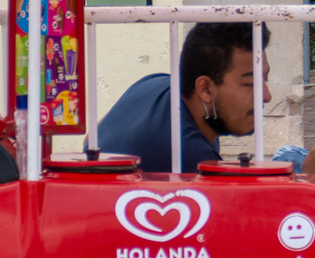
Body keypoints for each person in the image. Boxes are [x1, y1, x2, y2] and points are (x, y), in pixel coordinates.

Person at [97, 22, 270, 172]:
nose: (267, 96)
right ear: (205, 89)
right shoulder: (192, 157)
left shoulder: (154, 82)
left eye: (266, 79)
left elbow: (95, 133)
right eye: (250, 83)